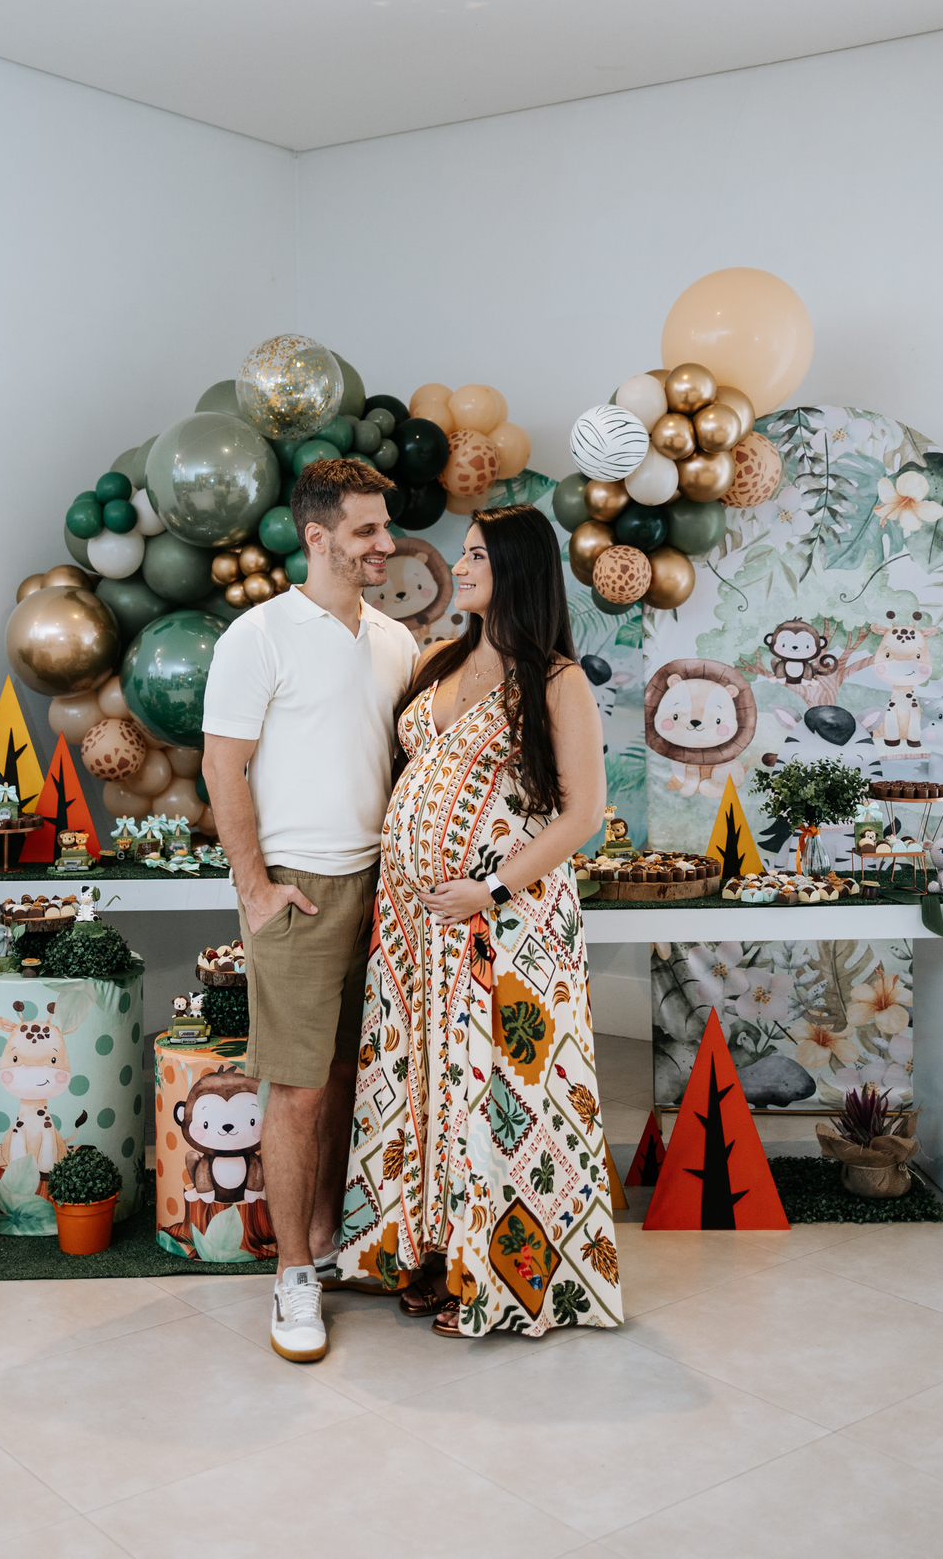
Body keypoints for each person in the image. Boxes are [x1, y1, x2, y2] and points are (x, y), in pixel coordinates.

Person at [339, 504, 624, 1337]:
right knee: (424, 1077)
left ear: (518, 570)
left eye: (475, 557)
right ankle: (430, 1247)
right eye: (462, 554)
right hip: (414, 928)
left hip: (507, 922)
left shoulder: (557, 679)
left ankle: (501, 1272)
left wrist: (489, 890)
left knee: (500, 1087)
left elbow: (583, 815)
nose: (459, 568)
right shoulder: (438, 659)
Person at [202, 457, 420, 1363]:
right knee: (293, 1092)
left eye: (386, 527)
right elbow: (224, 766)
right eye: (366, 530)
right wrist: (255, 889)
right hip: (298, 884)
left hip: (386, 888)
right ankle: (292, 1277)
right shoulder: (258, 636)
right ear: (318, 536)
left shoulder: (397, 641)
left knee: (344, 1078)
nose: (386, 544)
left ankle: (327, 1243)